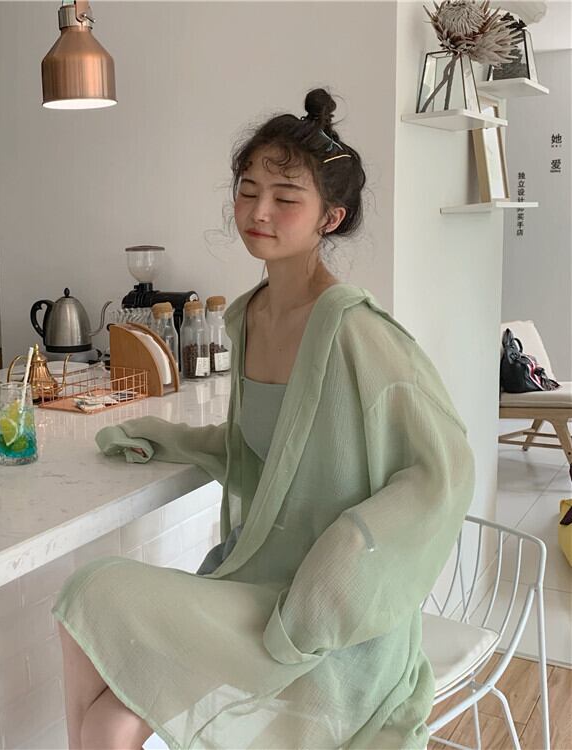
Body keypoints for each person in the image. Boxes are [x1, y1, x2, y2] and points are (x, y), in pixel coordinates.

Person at [52, 88, 475, 749]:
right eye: (247, 191)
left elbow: (442, 474)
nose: (258, 211)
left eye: (285, 197)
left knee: (99, 653)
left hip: (325, 620)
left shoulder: (357, 331)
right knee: (87, 628)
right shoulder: (248, 317)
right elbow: (266, 453)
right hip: (253, 577)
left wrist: (335, 575)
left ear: (330, 217)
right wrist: (165, 437)